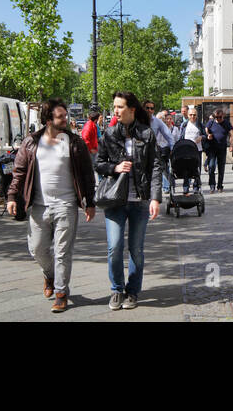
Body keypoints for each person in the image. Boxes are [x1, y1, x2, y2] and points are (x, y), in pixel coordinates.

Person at [6, 98, 96, 313]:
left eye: (66, 115)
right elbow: (18, 172)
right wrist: (11, 196)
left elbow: (86, 175)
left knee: (63, 252)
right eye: (60, 116)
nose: (65, 119)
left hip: (66, 205)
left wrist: (90, 202)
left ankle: (61, 293)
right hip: (38, 205)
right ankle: (49, 274)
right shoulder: (31, 142)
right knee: (36, 248)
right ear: (48, 119)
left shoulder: (74, 142)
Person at [95, 91, 163, 311]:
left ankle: (132, 291)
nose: (115, 111)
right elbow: (99, 163)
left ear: (132, 109)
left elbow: (155, 167)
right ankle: (116, 289)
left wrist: (155, 198)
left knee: (136, 249)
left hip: (139, 200)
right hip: (115, 199)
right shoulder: (109, 133)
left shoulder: (146, 134)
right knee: (114, 247)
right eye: (114, 106)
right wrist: (114, 167)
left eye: (120, 107)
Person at [204, 108, 233, 193]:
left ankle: (220, 186)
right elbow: (206, 128)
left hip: (222, 148)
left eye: (219, 117)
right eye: (216, 117)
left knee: (221, 168)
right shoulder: (211, 122)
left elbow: (231, 134)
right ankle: (212, 186)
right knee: (212, 166)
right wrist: (208, 134)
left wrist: (231, 145)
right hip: (212, 148)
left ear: (223, 115)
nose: (218, 119)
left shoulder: (226, 123)